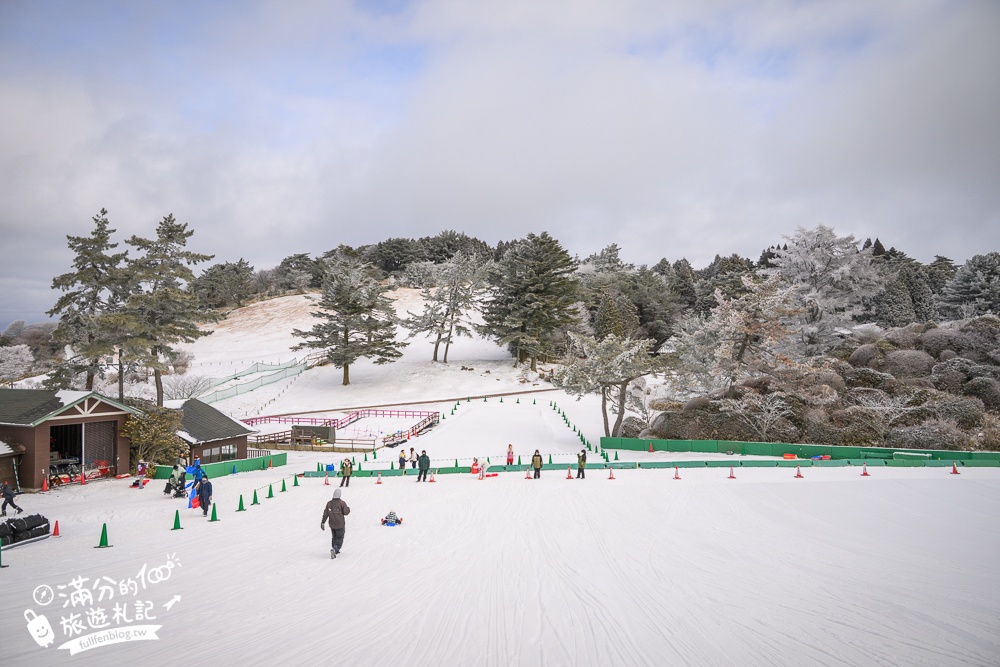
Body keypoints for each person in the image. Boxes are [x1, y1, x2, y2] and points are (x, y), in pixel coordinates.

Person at [320, 488, 351, 559]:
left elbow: (325, 514)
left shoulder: (329, 503)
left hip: (332, 524)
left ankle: (334, 549)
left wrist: (323, 522)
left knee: (334, 537)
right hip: (340, 524)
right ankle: (335, 548)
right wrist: (348, 509)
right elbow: (346, 512)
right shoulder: (341, 503)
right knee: (340, 537)